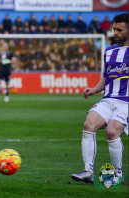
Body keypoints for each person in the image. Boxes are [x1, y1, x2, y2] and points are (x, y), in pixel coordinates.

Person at [71, 13, 128, 185]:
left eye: (120, 30)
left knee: (112, 131)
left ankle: (118, 175)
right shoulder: (109, 51)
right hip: (108, 99)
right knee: (89, 125)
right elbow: (106, 77)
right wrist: (94, 89)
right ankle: (87, 172)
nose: (115, 33)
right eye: (114, 29)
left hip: (126, 101)